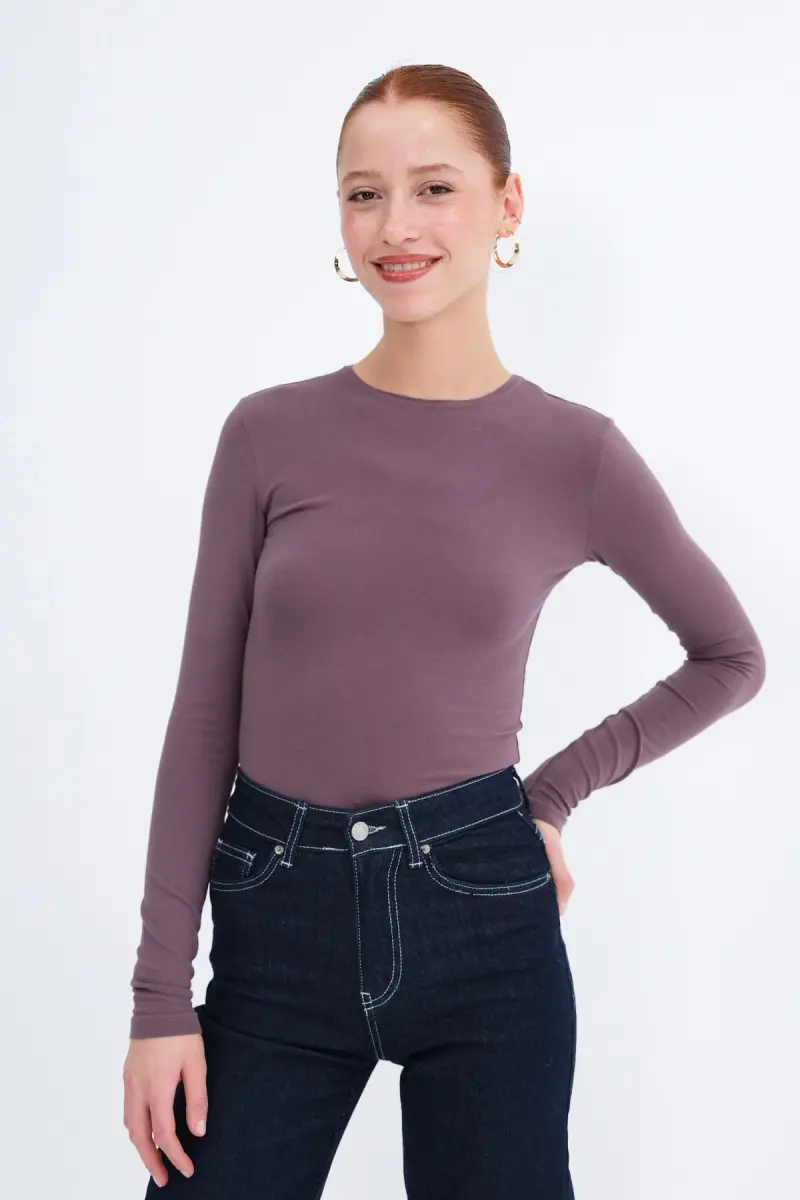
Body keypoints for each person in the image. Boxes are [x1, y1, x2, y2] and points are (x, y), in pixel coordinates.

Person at [122, 62, 766, 1196]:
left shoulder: (575, 454)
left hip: (482, 915)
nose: (395, 227)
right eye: (363, 194)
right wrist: (158, 998)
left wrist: (551, 794)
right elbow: (204, 720)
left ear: (506, 204)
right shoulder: (268, 435)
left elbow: (729, 657)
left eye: (433, 188)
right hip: (275, 919)